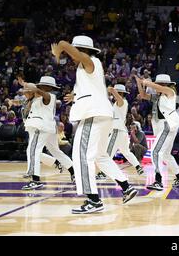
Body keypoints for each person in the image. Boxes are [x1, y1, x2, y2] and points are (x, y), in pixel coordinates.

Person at [52, 35, 138, 214]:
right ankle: (126, 186)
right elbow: (93, 89)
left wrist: (61, 45)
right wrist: (75, 96)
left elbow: (74, 53)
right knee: (100, 156)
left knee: (81, 155)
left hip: (93, 115)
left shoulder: (90, 61)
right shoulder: (87, 67)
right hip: (101, 115)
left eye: (75, 51)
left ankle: (93, 199)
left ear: (82, 51)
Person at [18, 76, 75, 190]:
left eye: (43, 85)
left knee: (33, 150)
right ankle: (73, 172)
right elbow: (29, 93)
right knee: (55, 151)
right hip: (47, 128)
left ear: (48, 87)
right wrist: (25, 85)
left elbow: (37, 91)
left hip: (41, 127)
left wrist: (29, 85)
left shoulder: (50, 96)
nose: (40, 86)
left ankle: (35, 180)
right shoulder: (36, 98)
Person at [135, 74, 179, 191]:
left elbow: (157, 88)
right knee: (166, 155)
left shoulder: (170, 91)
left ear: (164, 84)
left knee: (155, 151)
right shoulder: (158, 97)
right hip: (165, 126)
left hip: (167, 125)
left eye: (159, 84)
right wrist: (139, 83)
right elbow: (143, 95)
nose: (157, 86)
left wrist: (147, 82)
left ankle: (158, 181)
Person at [95, 84, 144, 179]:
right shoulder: (116, 103)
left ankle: (103, 173)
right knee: (126, 152)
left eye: (116, 93)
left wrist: (112, 90)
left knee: (107, 153)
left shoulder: (122, 102)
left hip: (117, 131)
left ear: (119, 93)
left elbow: (119, 99)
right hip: (122, 132)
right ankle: (138, 166)